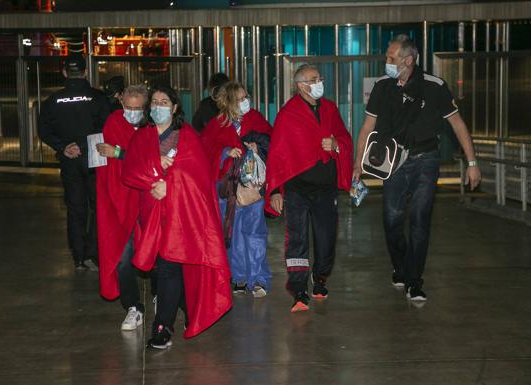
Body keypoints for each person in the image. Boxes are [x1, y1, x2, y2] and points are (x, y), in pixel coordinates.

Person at [353, 34, 482, 302]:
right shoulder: (382, 87)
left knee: (420, 220)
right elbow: (367, 127)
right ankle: (401, 267)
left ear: (408, 60)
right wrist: (358, 164)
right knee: (392, 220)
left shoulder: (434, 87)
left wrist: (472, 163)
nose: (387, 62)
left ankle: (414, 280)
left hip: (425, 159)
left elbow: (457, 124)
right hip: (394, 164)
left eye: (391, 58)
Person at [122, 85, 232, 349]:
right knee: (165, 269)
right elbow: (129, 172)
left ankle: (163, 326)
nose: (158, 106)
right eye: (155, 102)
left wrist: (171, 185)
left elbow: (200, 177)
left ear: (174, 108)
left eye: (164, 102)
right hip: (150, 215)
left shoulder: (188, 137)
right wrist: (154, 172)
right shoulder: (142, 137)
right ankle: (186, 308)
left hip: (182, 216)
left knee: (170, 266)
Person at [265, 64, 353, 313]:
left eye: (320, 78)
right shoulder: (288, 115)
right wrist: (274, 191)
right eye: (314, 79)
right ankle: (299, 289)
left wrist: (336, 144)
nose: (319, 82)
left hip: (325, 188)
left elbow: (344, 138)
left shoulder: (330, 109)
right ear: (301, 85)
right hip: (297, 189)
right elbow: (277, 155)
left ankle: (320, 279)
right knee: (297, 240)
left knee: (326, 239)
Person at [201, 81, 273, 298]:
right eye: (240, 98)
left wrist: (258, 147)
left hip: (252, 187)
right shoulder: (216, 125)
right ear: (229, 102)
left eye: (246, 97)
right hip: (227, 188)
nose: (245, 102)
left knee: (255, 233)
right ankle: (239, 277)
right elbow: (205, 152)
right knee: (233, 234)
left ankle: (258, 278)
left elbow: (272, 142)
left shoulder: (256, 119)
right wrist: (225, 152)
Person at [38, 55, 110, 271]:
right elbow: (108, 127)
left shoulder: (53, 101)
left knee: (75, 208)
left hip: (69, 160)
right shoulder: (98, 98)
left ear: (64, 73)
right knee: (97, 207)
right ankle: (94, 254)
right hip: (95, 158)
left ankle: (78, 256)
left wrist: (63, 146)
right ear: (86, 72)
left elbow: (44, 131)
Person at [95, 84, 148, 331]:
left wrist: (119, 153)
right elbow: (103, 167)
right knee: (124, 258)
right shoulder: (113, 124)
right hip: (122, 202)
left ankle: (162, 295)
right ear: (121, 104)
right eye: (128, 107)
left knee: (158, 255)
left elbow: (152, 160)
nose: (132, 112)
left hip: (151, 201)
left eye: (137, 108)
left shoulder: (154, 127)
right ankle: (133, 306)